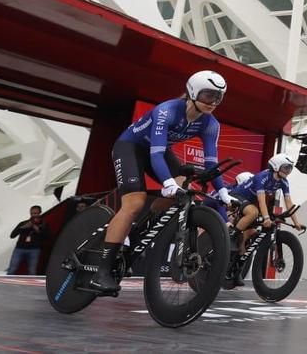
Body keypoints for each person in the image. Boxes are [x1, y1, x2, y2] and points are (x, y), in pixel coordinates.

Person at [87, 70, 234, 293]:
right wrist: (167, 182)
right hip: (131, 148)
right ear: (192, 92)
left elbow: (211, 163)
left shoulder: (210, 124)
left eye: (218, 97)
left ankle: (139, 229)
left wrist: (223, 192)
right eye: (208, 95)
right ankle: (102, 273)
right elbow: (155, 155)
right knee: (134, 203)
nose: (213, 102)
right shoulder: (167, 110)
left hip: (159, 151)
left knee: (184, 188)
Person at [228, 153, 303, 284]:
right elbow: (261, 201)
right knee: (254, 213)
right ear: (276, 166)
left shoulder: (283, 182)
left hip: (252, 201)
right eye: (286, 168)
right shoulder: (262, 177)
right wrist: (266, 218)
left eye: (290, 169)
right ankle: (232, 236)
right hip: (238, 196)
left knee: (246, 237)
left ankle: (236, 271)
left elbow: (289, 203)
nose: (288, 171)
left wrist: (296, 223)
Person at [6, 205, 47, 275]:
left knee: (32, 271)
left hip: (34, 250)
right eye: (32, 213)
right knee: (12, 269)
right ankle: (6, 285)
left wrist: (38, 230)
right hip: (19, 249)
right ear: (30, 213)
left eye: (36, 213)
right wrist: (23, 227)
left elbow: (47, 237)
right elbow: (12, 235)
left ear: (40, 213)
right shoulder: (23, 223)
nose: (34, 215)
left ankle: (31, 285)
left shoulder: (43, 225)